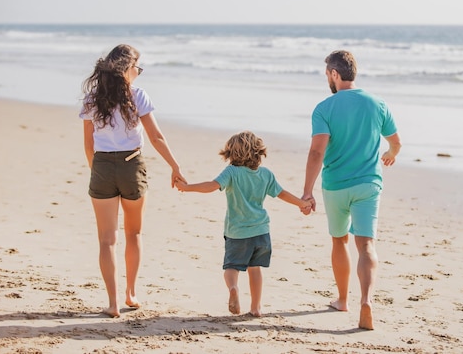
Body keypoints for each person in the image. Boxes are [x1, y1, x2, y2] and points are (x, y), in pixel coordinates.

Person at [80, 44, 186, 318]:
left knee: (106, 240)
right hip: (132, 165)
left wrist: (98, 170)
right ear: (127, 69)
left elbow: (88, 145)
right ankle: (131, 293)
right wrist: (175, 166)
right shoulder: (137, 95)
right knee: (133, 233)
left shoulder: (93, 98)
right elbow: (156, 137)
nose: (138, 72)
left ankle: (113, 303)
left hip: (102, 165)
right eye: (137, 67)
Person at [302, 50, 401, 330]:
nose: (327, 80)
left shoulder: (325, 108)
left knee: (339, 241)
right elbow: (396, 142)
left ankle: (343, 299)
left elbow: (316, 152)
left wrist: (307, 192)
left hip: (335, 186)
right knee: (366, 244)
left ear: (335, 74)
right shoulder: (377, 103)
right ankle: (366, 301)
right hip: (369, 184)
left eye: (327, 75)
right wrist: (391, 154)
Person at [174, 131, 313, 317]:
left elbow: (211, 186)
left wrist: (187, 188)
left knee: (231, 267)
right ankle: (256, 308)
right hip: (261, 232)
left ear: (231, 154)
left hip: (237, 232)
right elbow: (282, 194)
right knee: (255, 269)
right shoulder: (265, 174)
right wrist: (302, 203)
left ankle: (233, 288)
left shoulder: (232, 172)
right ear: (258, 152)